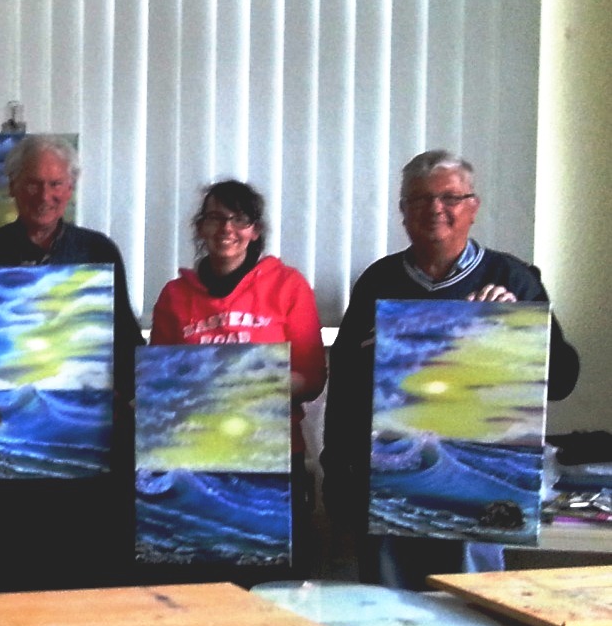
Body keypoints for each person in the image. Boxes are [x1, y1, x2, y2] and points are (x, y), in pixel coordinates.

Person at [323, 150, 579, 589]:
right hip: (388, 480)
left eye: (450, 197)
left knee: (473, 603)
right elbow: (344, 383)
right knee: (388, 606)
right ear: (403, 212)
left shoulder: (513, 278)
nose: (435, 209)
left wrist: (517, 329)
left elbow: (562, 381)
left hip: (481, 480)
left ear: (473, 207)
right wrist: (336, 469)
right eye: (420, 199)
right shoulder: (378, 281)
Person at [0, 134, 141, 592]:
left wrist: (133, 393)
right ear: (12, 186)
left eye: (55, 184)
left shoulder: (98, 253)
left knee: (76, 573)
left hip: (80, 442)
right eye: (32, 183)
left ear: (71, 187)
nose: (44, 195)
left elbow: (125, 341)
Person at [148, 180, 327, 573]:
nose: (227, 229)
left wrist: (239, 383)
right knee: (197, 582)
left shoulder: (288, 286)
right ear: (200, 227)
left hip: (271, 459)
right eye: (215, 218)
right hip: (194, 459)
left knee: (270, 583)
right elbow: (160, 385)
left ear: (255, 231)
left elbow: (313, 378)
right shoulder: (174, 296)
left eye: (239, 219)